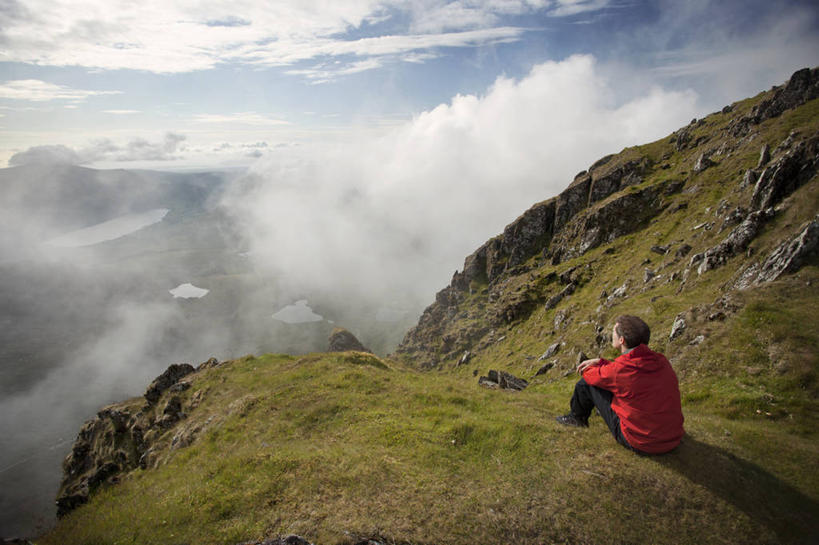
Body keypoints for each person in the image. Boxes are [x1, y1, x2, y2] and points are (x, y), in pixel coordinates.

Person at [555, 315, 684, 455]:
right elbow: (621, 372)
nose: (612, 335)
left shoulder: (621, 370)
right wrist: (601, 362)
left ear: (621, 340)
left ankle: (576, 418)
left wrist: (590, 367)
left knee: (585, 384)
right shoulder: (661, 361)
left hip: (641, 442)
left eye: (614, 332)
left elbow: (592, 377)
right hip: (672, 439)